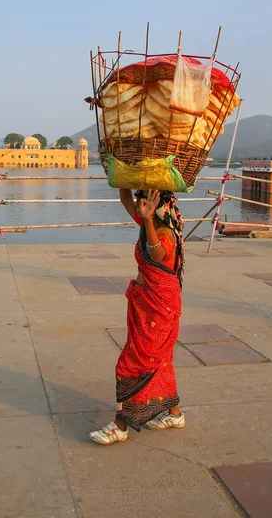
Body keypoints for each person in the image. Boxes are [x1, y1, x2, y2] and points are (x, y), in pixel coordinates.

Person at [90, 188, 185, 445]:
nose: (139, 205)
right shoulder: (148, 223)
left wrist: (147, 217)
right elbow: (124, 198)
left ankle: (121, 425)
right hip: (148, 303)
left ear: (158, 208)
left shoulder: (164, 233)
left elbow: (156, 254)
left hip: (159, 306)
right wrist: (119, 173)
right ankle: (174, 414)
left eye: (144, 202)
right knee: (160, 359)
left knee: (134, 362)